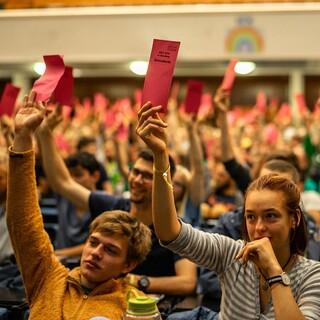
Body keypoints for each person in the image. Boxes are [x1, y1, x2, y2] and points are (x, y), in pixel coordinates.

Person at [136, 101, 320, 319]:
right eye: (251, 217)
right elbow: (170, 233)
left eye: (271, 216)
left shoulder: (312, 274)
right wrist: (160, 157)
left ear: (294, 219)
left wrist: (274, 271)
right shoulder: (231, 254)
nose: (259, 227)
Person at [6, 92, 152, 319]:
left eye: (110, 250)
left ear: (128, 266)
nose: (95, 253)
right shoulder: (48, 276)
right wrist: (23, 137)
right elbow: (23, 222)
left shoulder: (132, 306)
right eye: (93, 242)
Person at [36, 104, 197, 297]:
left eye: (146, 176)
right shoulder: (113, 207)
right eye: (135, 172)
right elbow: (63, 183)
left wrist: (137, 281)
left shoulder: (174, 227)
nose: (137, 180)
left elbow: (188, 282)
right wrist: (45, 134)